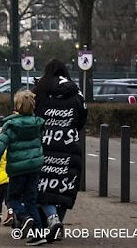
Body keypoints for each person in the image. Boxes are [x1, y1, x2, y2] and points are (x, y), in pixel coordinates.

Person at [32, 59, 86, 242]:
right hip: (69, 147)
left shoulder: (39, 90)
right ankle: (57, 224)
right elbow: (82, 118)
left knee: (42, 185)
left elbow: (31, 114)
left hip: (44, 146)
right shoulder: (76, 92)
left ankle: (52, 220)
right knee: (64, 187)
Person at [0, 90, 46, 246]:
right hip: (34, 168)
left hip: (17, 169)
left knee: (12, 198)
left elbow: (0, 146)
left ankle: (24, 217)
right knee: (31, 200)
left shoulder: (11, 125)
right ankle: (39, 233)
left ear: (17, 106)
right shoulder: (38, 123)